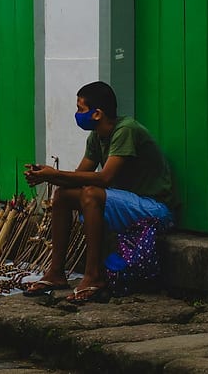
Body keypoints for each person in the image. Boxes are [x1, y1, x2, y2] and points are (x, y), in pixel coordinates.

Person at [23, 81, 176, 303]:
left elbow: (105, 178)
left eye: (81, 109)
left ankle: (93, 276)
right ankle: (56, 273)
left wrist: (52, 174)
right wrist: (46, 175)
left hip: (155, 209)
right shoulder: (96, 137)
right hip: (126, 204)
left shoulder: (126, 130)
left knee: (92, 193)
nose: (77, 114)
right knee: (63, 196)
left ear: (97, 114)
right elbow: (77, 177)